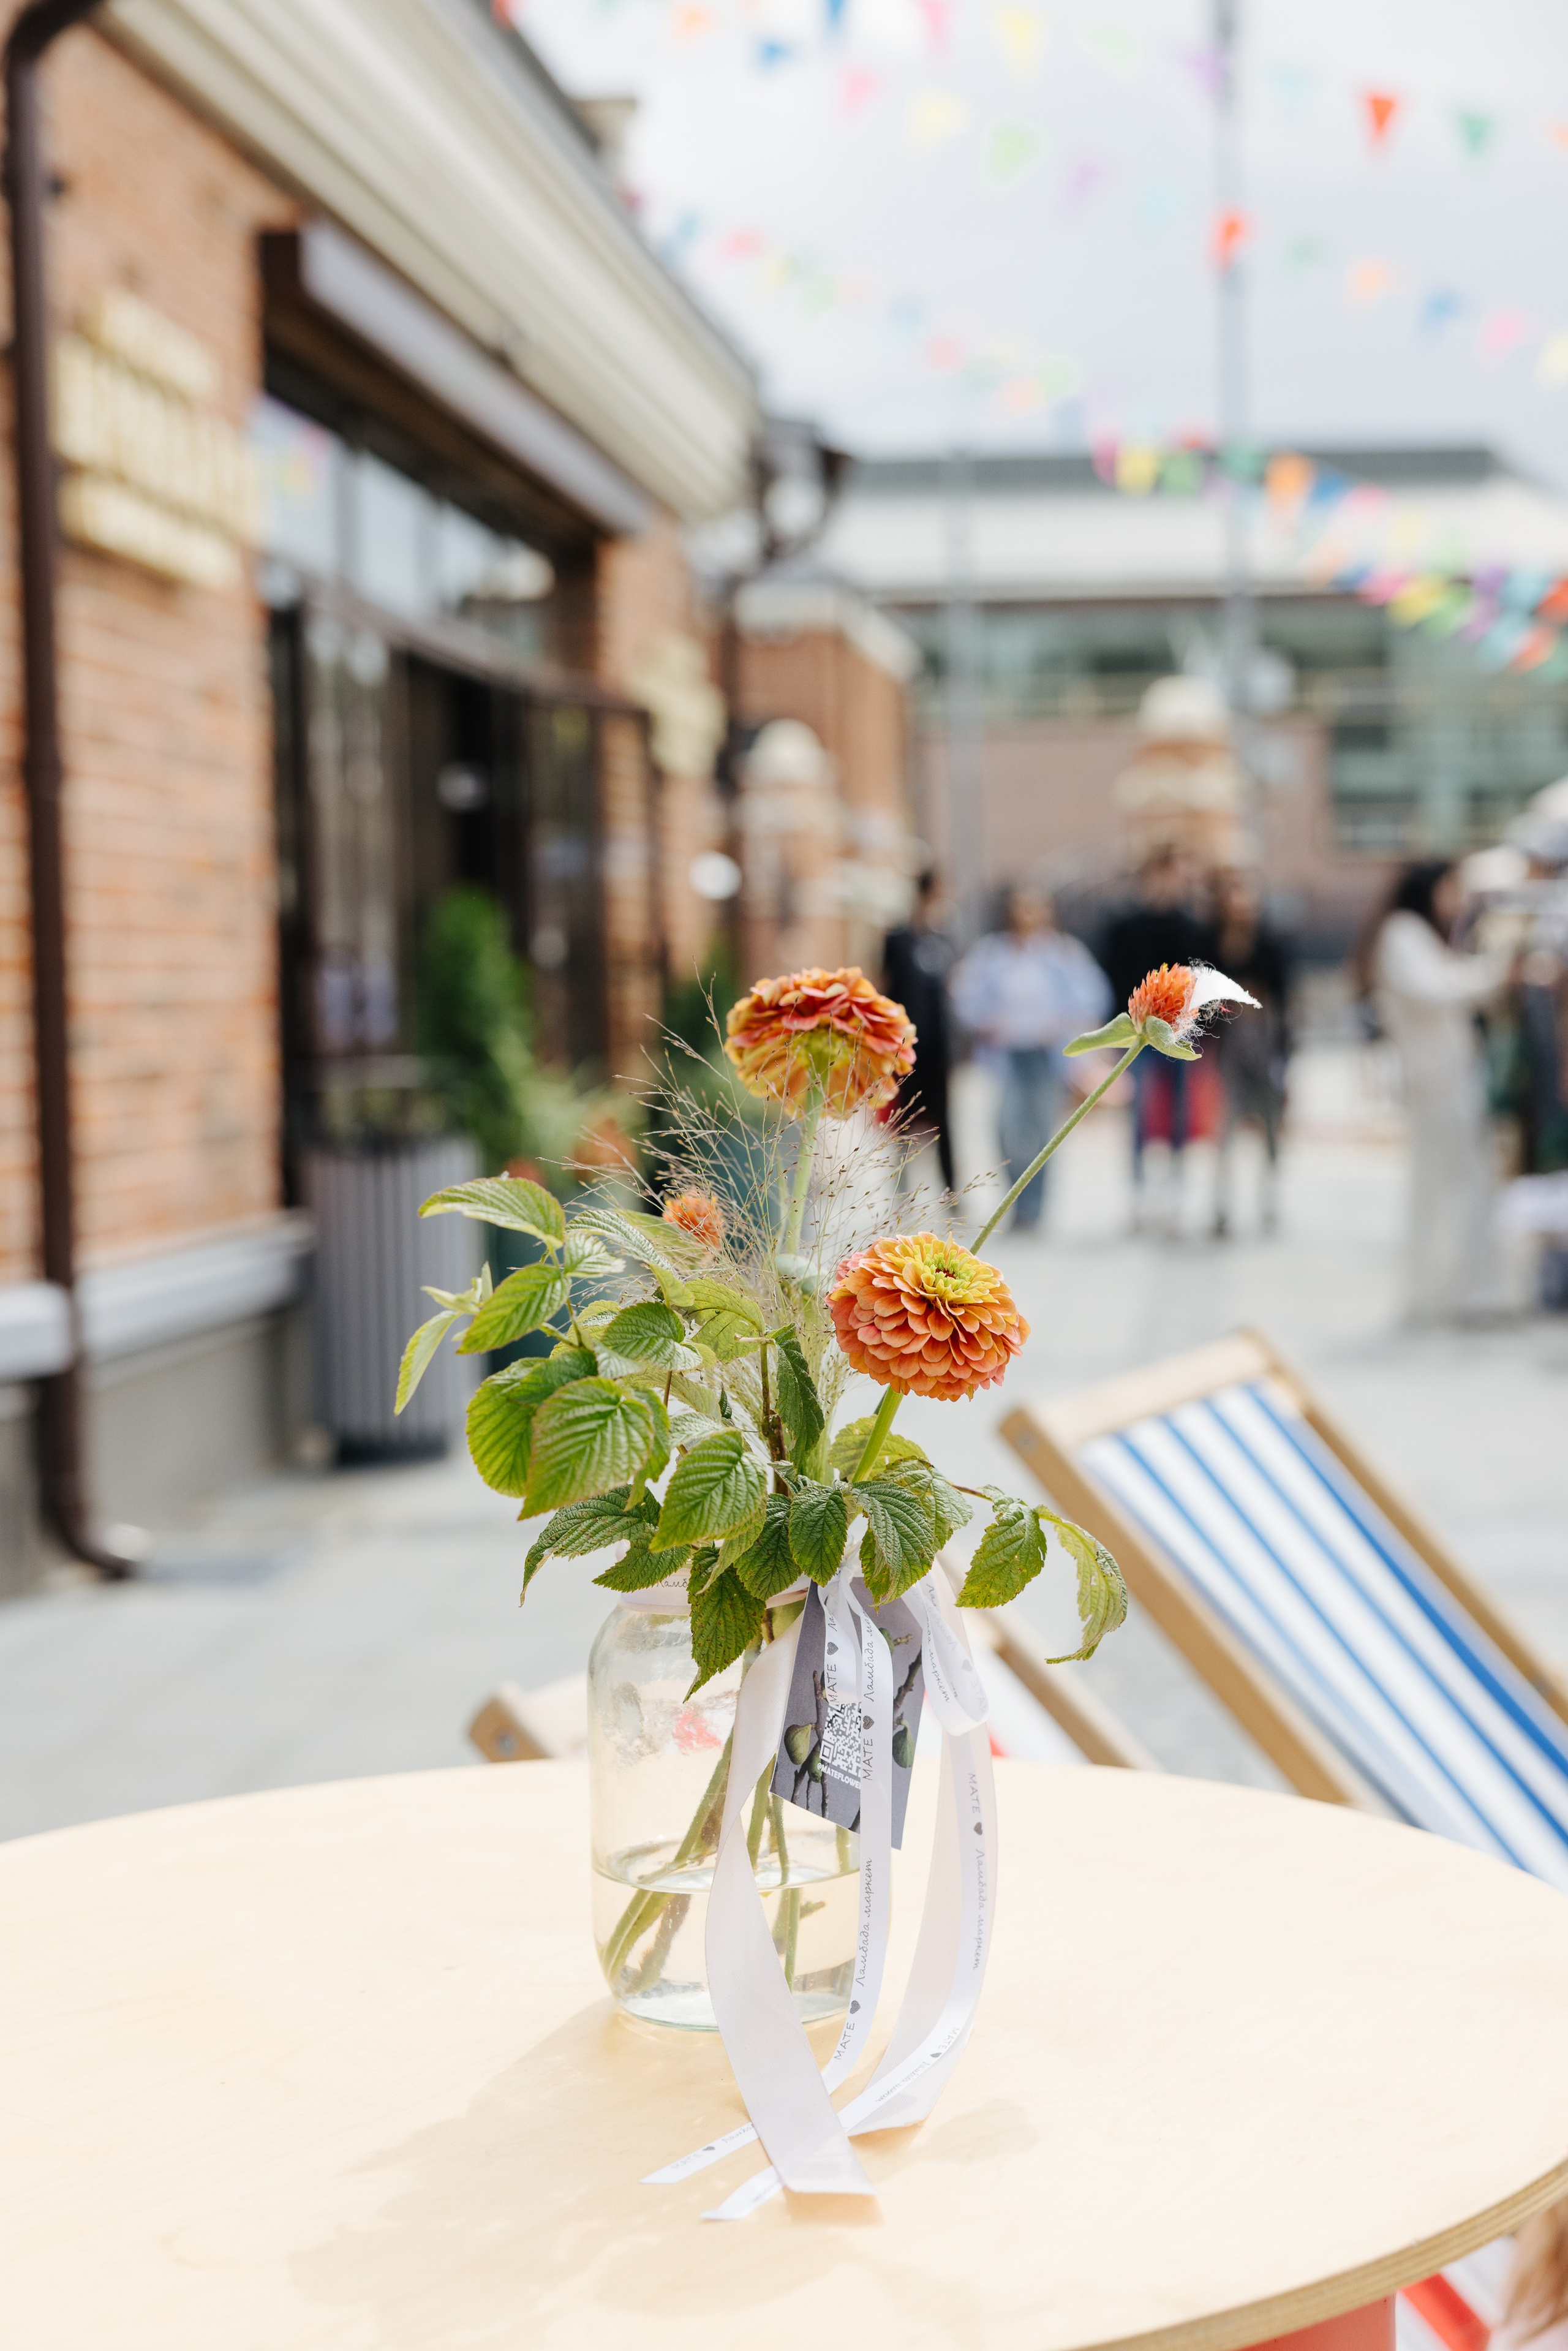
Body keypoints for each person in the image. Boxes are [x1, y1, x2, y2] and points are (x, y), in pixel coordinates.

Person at [1372, 859, 1512, 1325]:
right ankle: (1459, 1292)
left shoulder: (1415, 936)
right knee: (1455, 1187)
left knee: (1451, 1186)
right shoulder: (1404, 934)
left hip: (1446, 1078)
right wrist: (1493, 971)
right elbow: (1436, 989)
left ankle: (1452, 1289)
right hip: (1438, 1082)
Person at [951, 883, 1110, 1232]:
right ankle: (1015, 1197)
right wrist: (984, 1021)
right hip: (1007, 1052)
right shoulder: (992, 953)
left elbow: (1092, 996)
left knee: (1043, 1131)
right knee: (1006, 1127)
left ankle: (1035, 1207)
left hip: (1045, 1053)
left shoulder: (1063, 953)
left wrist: (1063, 1023)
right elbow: (964, 995)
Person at [1101, 845, 1210, 1218]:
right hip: (1137, 1032)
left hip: (1179, 1033)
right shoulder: (1126, 926)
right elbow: (1113, 978)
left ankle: (1175, 1191)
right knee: (1139, 1111)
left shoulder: (1192, 927)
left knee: (1181, 1112)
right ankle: (1139, 1193)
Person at [1205, 866, 1292, 1239]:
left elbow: (1283, 996)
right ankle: (1222, 1204)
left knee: (1270, 1124)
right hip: (1228, 1043)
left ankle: (1268, 1199)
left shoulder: (1271, 941)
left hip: (1264, 1038)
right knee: (1224, 1124)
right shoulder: (1212, 942)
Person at [882, 869, 957, 1193]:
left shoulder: (943, 939)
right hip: (905, 1046)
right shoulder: (898, 939)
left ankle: (951, 1190)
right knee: (904, 1120)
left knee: (945, 1123)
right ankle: (902, 1189)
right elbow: (885, 985)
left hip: (939, 1046)